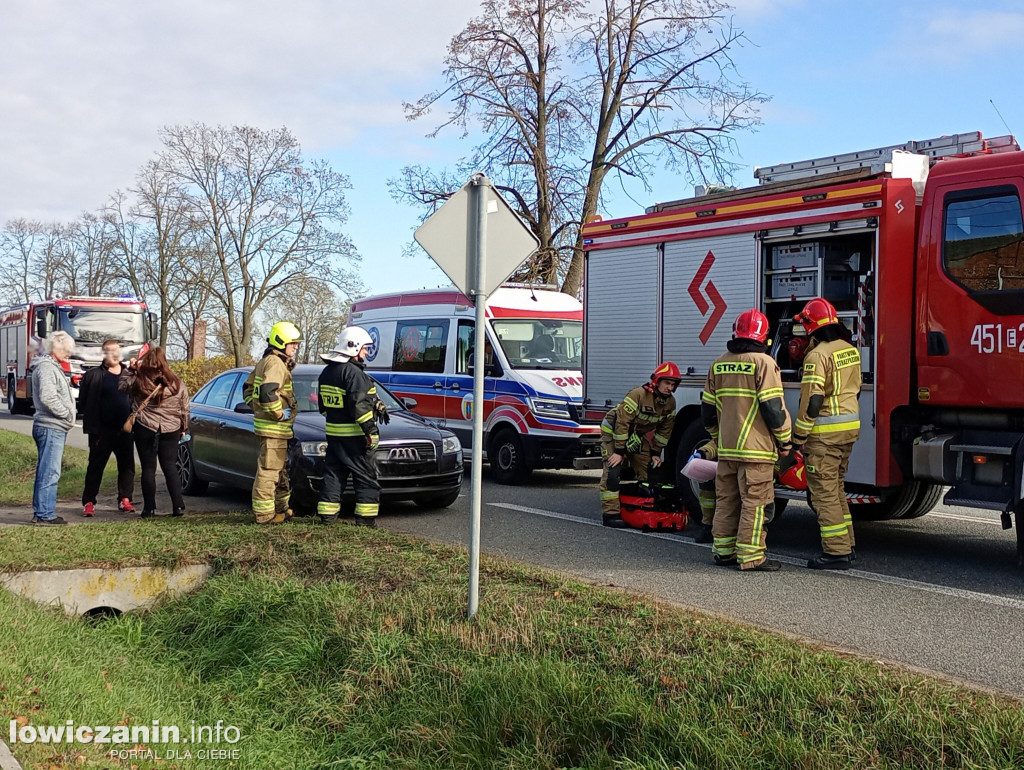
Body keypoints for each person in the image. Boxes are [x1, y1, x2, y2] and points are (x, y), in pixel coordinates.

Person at [702, 309, 792, 571]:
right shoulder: (764, 363)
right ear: (763, 336)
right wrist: (785, 441)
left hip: (728, 450)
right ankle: (752, 556)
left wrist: (717, 438)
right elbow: (773, 408)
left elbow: (707, 410)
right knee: (755, 502)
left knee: (727, 500)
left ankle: (723, 551)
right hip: (757, 452)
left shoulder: (718, 364)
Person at [793, 298, 862, 570]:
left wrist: (798, 437)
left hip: (824, 435)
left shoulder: (817, 356)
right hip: (848, 431)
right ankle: (848, 544)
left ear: (812, 326)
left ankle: (836, 552)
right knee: (837, 489)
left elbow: (812, 400)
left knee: (824, 494)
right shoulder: (849, 349)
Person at [316, 326, 387, 527]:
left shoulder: (327, 373)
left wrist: (338, 419)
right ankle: (365, 521)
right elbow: (360, 407)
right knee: (365, 476)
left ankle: (327, 519)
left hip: (333, 435)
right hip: (356, 438)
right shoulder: (354, 374)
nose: (366, 353)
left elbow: (323, 408)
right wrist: (371, 432)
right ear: (354, 347)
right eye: (364, 348)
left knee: (333, 474)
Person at [599, 362, 680, 528]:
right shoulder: (637, 394)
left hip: (635, 435)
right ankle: (610, 514)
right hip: (613, 432)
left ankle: (641, 507)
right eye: (667, 383)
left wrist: (656, 452)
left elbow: (665, 430)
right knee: (613, 471)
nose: (670, 388)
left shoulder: (670, 403)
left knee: (649, 468)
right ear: (657, 381)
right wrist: (619, 452)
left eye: (673, 384)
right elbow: (621, 422)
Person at [242, 321, 302, 525]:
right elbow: (268, 391)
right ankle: (265, 516)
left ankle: (281, 509)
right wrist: (278, 414)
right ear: (281, 342)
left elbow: (248, 390)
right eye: (292, 343)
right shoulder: (276, 363)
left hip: (270, 428)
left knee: (279, 470)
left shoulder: (266, 361)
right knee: (269, 471)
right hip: (274, 429)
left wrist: (258, 409)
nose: (295, 347)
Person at [119, 347, 190, 519]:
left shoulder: (138, 380)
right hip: (171, 428)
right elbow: (185, 408)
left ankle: (149, 509)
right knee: (170, 467)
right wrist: (183, 427)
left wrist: (130, 369)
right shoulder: (177, 383)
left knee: (148, 469)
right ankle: (178, 506)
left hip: (145, 427)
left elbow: (121, 386)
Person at [79, 340, 136, 516]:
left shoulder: (130, 373)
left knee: (127, 466)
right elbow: (83, 402)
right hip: (101, 430)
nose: (114, 355)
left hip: (125, 430)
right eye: (110, 352)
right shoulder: (93, 375)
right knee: (95, 467)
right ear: (103, 354)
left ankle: (125, 499)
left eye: (117, 351)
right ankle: (89, 502)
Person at [30, 331, 77, 526]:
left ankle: (42, 511)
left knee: (47, 470)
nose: (69, 355)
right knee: (50, 471)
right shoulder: (47, 368)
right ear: (56, 347)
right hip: (50, 426)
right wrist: (66, 414)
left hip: (52, 426)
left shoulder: (50, 366)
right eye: (67, 350)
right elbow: (48, 397)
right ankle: (44, 513)